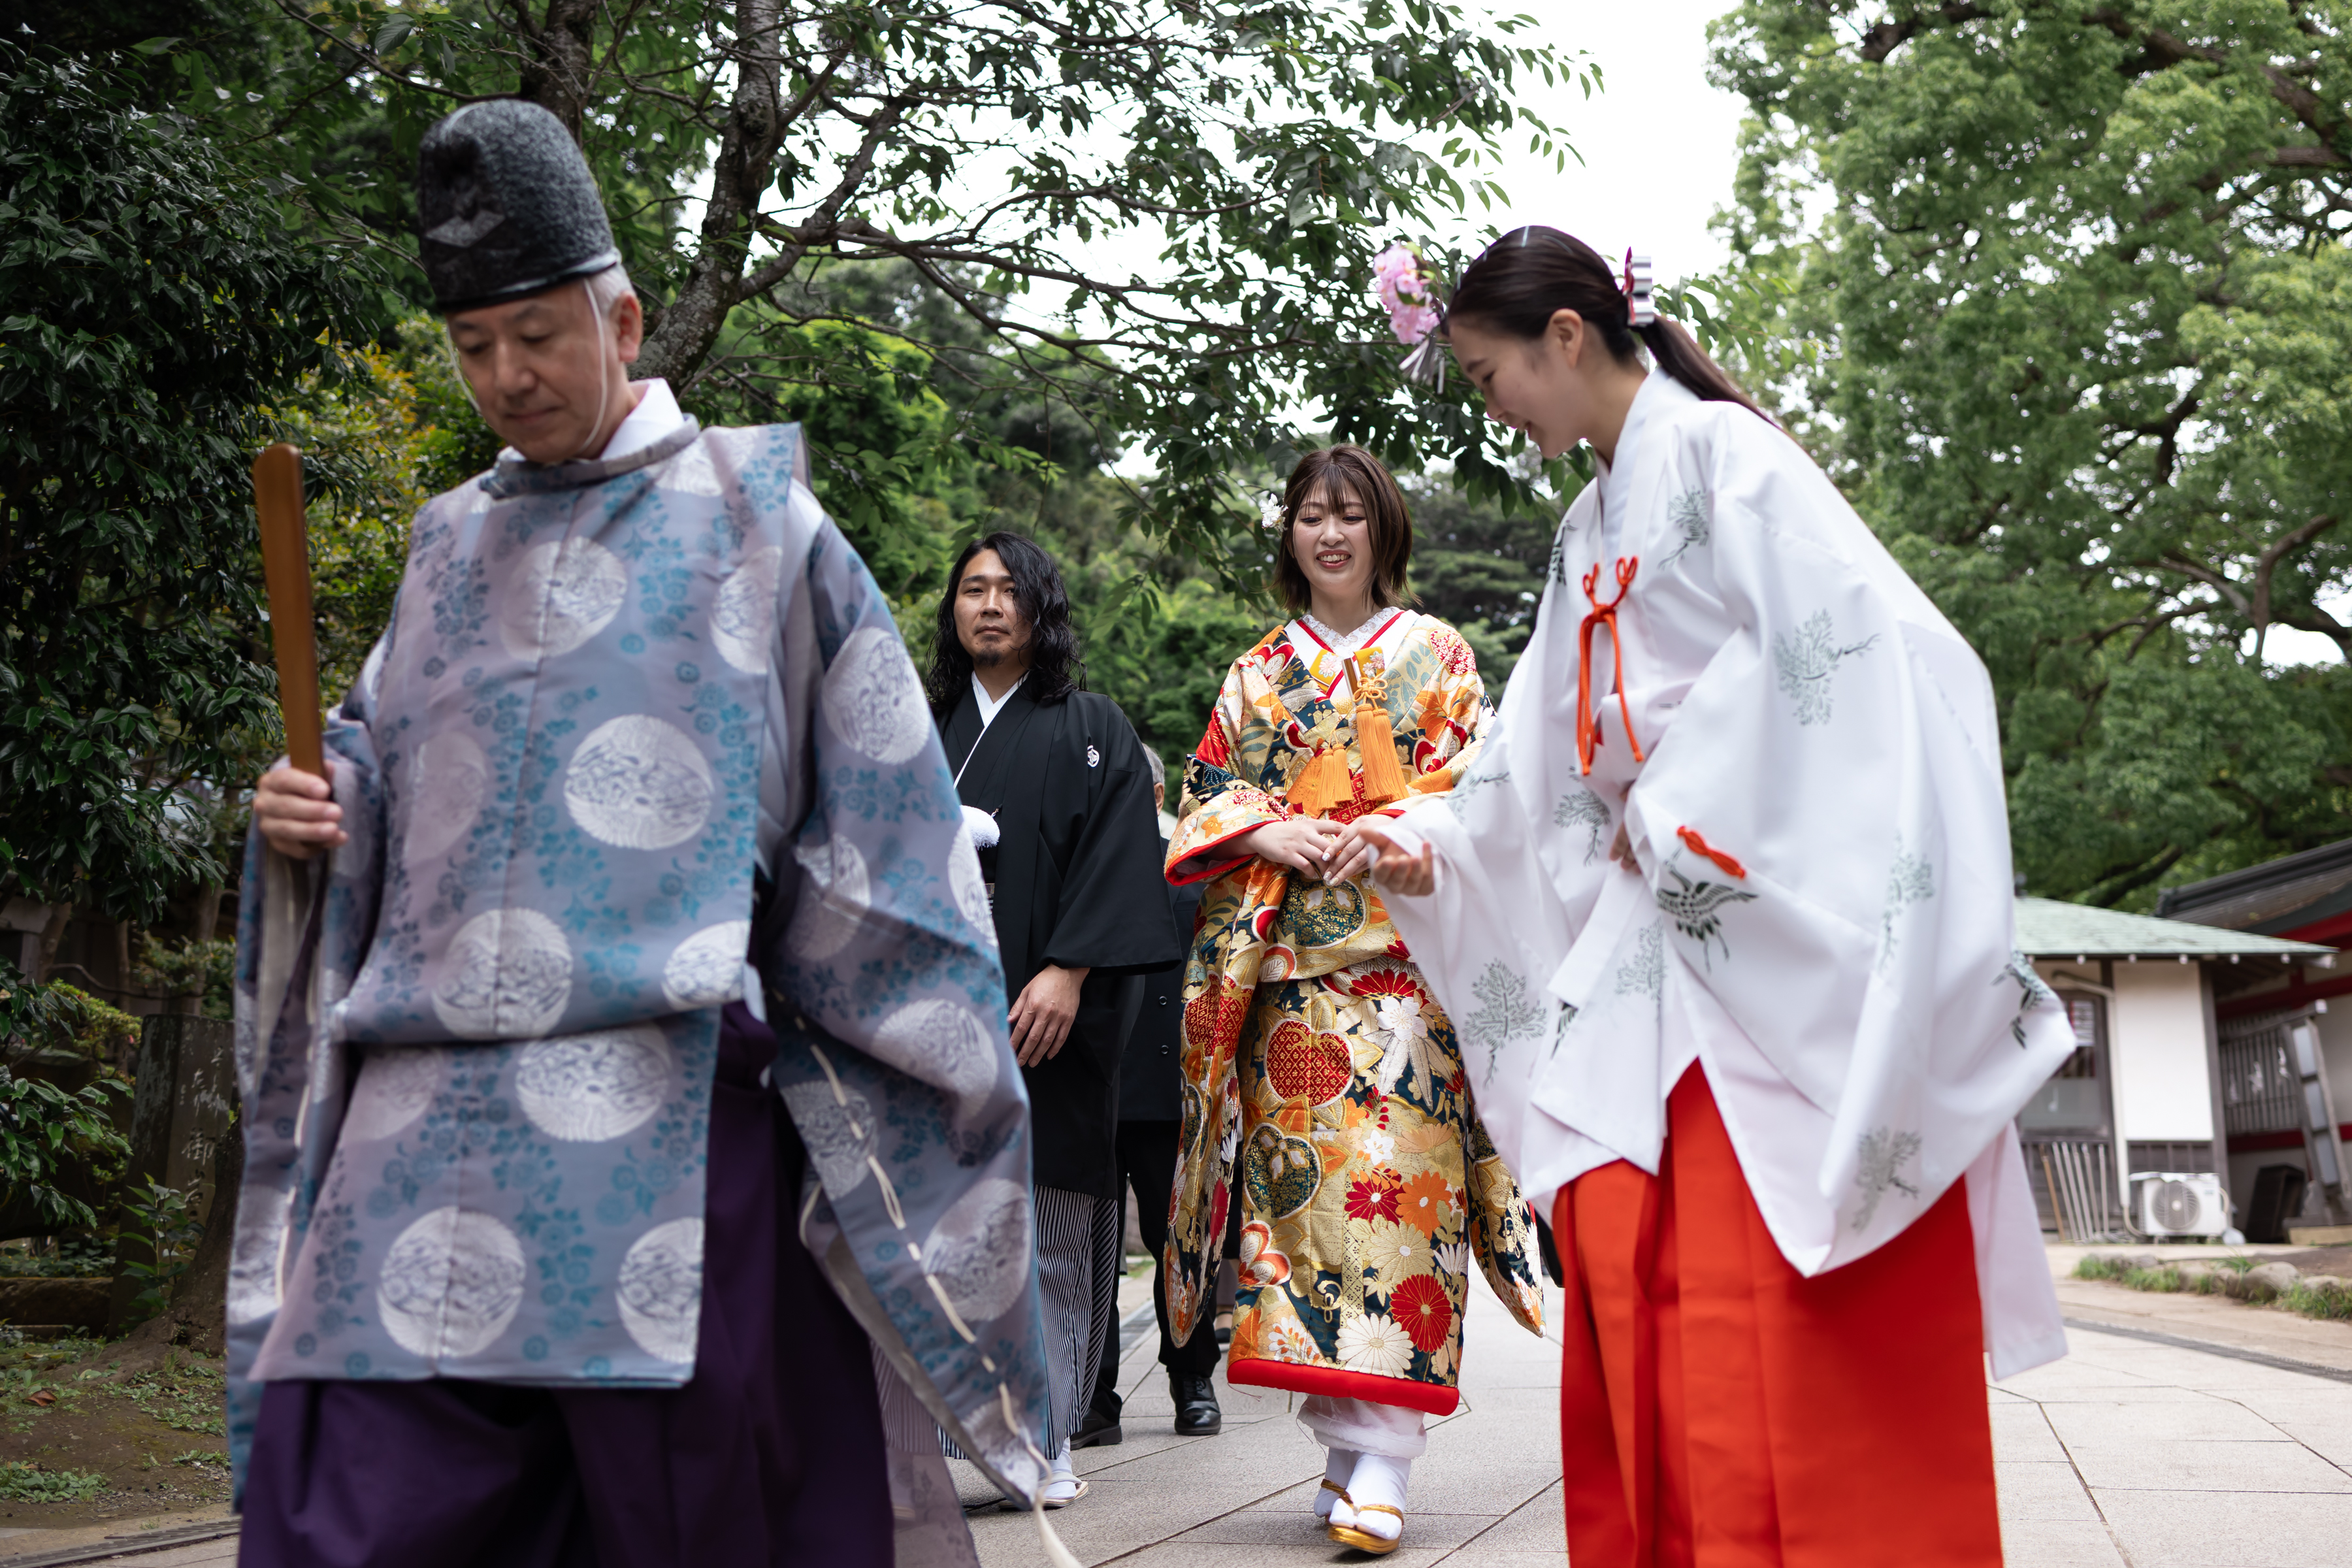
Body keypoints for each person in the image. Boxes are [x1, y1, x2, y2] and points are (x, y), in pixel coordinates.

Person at [230, 100, 1054, 1568]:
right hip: (419, 1135)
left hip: (665, 1121)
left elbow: (883, 833)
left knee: (689, 1521)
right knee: (343, 1511)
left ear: (621, 315)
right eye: (473, 344)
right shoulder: (442, 549)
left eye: (536, 334)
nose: (505, 376)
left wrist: (917, 1077)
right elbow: (377, 768)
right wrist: (321, 809)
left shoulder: (762, 523)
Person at [1359, 227, 2076, 1567]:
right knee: (1636, 1265)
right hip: (1654, 937)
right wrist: (1438, 840)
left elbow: (1867, 652)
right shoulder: (1588, 529)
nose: (1490, 403)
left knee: (1778, 1282)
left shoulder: (1732, 458)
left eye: (1488, 370)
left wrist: (1685, 811)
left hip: (1756, 915)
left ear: (1565, 336)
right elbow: (1531, 751)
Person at [1161, 446, 1546, 1556]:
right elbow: (1207, 792)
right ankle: (1348, 1455)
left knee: (1398, 1216)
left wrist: (1398, 831)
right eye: (1309, 517)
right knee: (1299, 1218)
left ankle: (1385, 1459)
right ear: (1289, 535)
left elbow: (1483, 789)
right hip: (1285, 987)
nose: (1328, 535)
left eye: (1349, 516)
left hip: (1403, 982)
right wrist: (1263, 827)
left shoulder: (1437, 656)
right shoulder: (1256, 670)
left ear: (1384, 529)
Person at [926, 532, 1184, 1507]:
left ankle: (1043, 1441)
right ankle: (952, 1443)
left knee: (1049, 1227)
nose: (989, 606)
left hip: (1049, 1021)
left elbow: (1122, 864)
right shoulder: (917, 724)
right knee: (942, 1235)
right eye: (972, 590)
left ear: (1041, 607)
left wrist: (1069, 971)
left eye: (1008, 590)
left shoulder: (1095, 726)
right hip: (934, 1024)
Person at [1076, 748, 1222, 1446]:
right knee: (1085, 1247)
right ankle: (1091, 1393)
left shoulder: (1189, 869)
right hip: (1086, 1078)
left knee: (1177, 1240)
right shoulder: (1076, 865)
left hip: (1171, 1087)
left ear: (1157, 789)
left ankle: (1191, 1377)